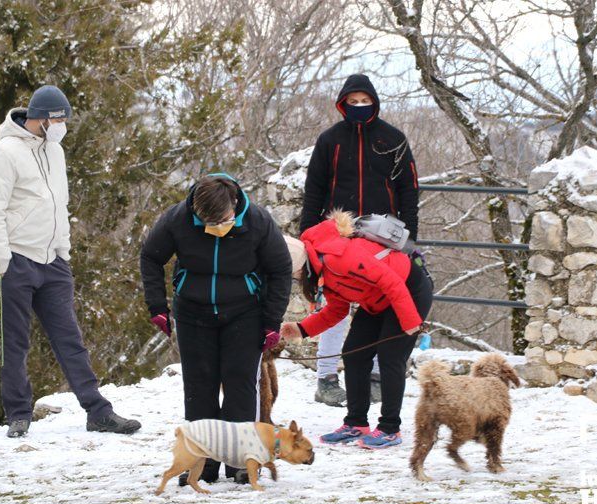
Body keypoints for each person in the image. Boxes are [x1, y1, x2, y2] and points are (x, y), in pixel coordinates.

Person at [0, 85, 141, 438]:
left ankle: (98, 412)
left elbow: (59, 205)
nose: (62, 125)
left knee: (70, 340)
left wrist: (64, 253)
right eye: (58, 119)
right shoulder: (3, 154)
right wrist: (4, 262)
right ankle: (18, 414)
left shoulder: (56, 151)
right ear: (41, 117)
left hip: (52, 261)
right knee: (16, 343)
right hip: (18, 261)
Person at [140, 174, 292, 483]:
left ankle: (240, 463)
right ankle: (202, 463)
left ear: (235, 205)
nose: (216, 229)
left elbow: (280, 269)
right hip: (193, 312)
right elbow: (150, 257)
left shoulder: (258, 221)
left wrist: (271, 320)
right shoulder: (177, 219)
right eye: (207, 223)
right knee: (199, 387)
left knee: (239, 385)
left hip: (244, 311)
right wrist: (157, 305)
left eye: (222, 222)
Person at [299, 73, 420, 407]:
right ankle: (326, 378)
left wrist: (411, 238)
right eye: (352, 102)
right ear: (343, 104)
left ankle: (378, 378)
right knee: (333, 304)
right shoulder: (329, 141)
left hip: (384, 235)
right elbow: (314, 191)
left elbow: (409, 189)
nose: (358, 107)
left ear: (375, 102)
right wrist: (309, 237)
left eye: (364, 102)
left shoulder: (393, 138)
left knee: (382, 303)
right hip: (339, 234)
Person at [281, 210, 432, 450]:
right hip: (377, 300)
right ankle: (356, 423)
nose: (297, 281)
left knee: (390, 356)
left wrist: (410, 320)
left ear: (301, 268)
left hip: (408, 290)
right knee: (353, 353)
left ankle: (390, 428)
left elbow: (391, 280)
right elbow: (336, 310)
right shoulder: (322, 270)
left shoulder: (339, 257)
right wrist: (301, 328)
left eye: (294, 276)